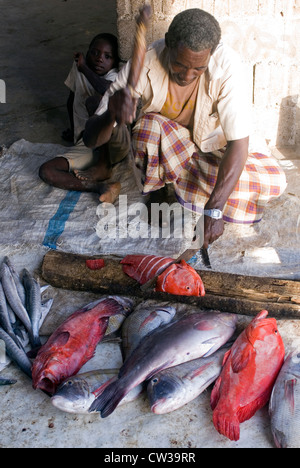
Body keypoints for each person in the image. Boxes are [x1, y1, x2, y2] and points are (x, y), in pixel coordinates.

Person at [82, 8, 287, 245]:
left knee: (271, 182)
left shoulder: (228, 67)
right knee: (149, 127)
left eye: (198, 69)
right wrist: (110, 114)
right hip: (169, 151)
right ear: (168, 43)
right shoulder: (145, 62)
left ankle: (193, 193)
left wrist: (215, 208)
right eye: (180, 64)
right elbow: (90, 139)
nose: (187, 75)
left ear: (212, 53)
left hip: (210, 153)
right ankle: (161, 191)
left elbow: (238, 143)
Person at [39, 33, 130, 203]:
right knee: (46, 171)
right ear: (87, 53)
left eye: (107, 56)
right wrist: (74, 129)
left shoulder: (114, 76)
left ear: (114, 62)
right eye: (94, 53)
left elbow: (106, 90)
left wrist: (85, 69)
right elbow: (72, 99)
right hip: (86, 143)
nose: (99, 59)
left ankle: (103, 166)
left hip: (113, 144)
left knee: (94, 102)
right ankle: (100, 187)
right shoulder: (79, 68)